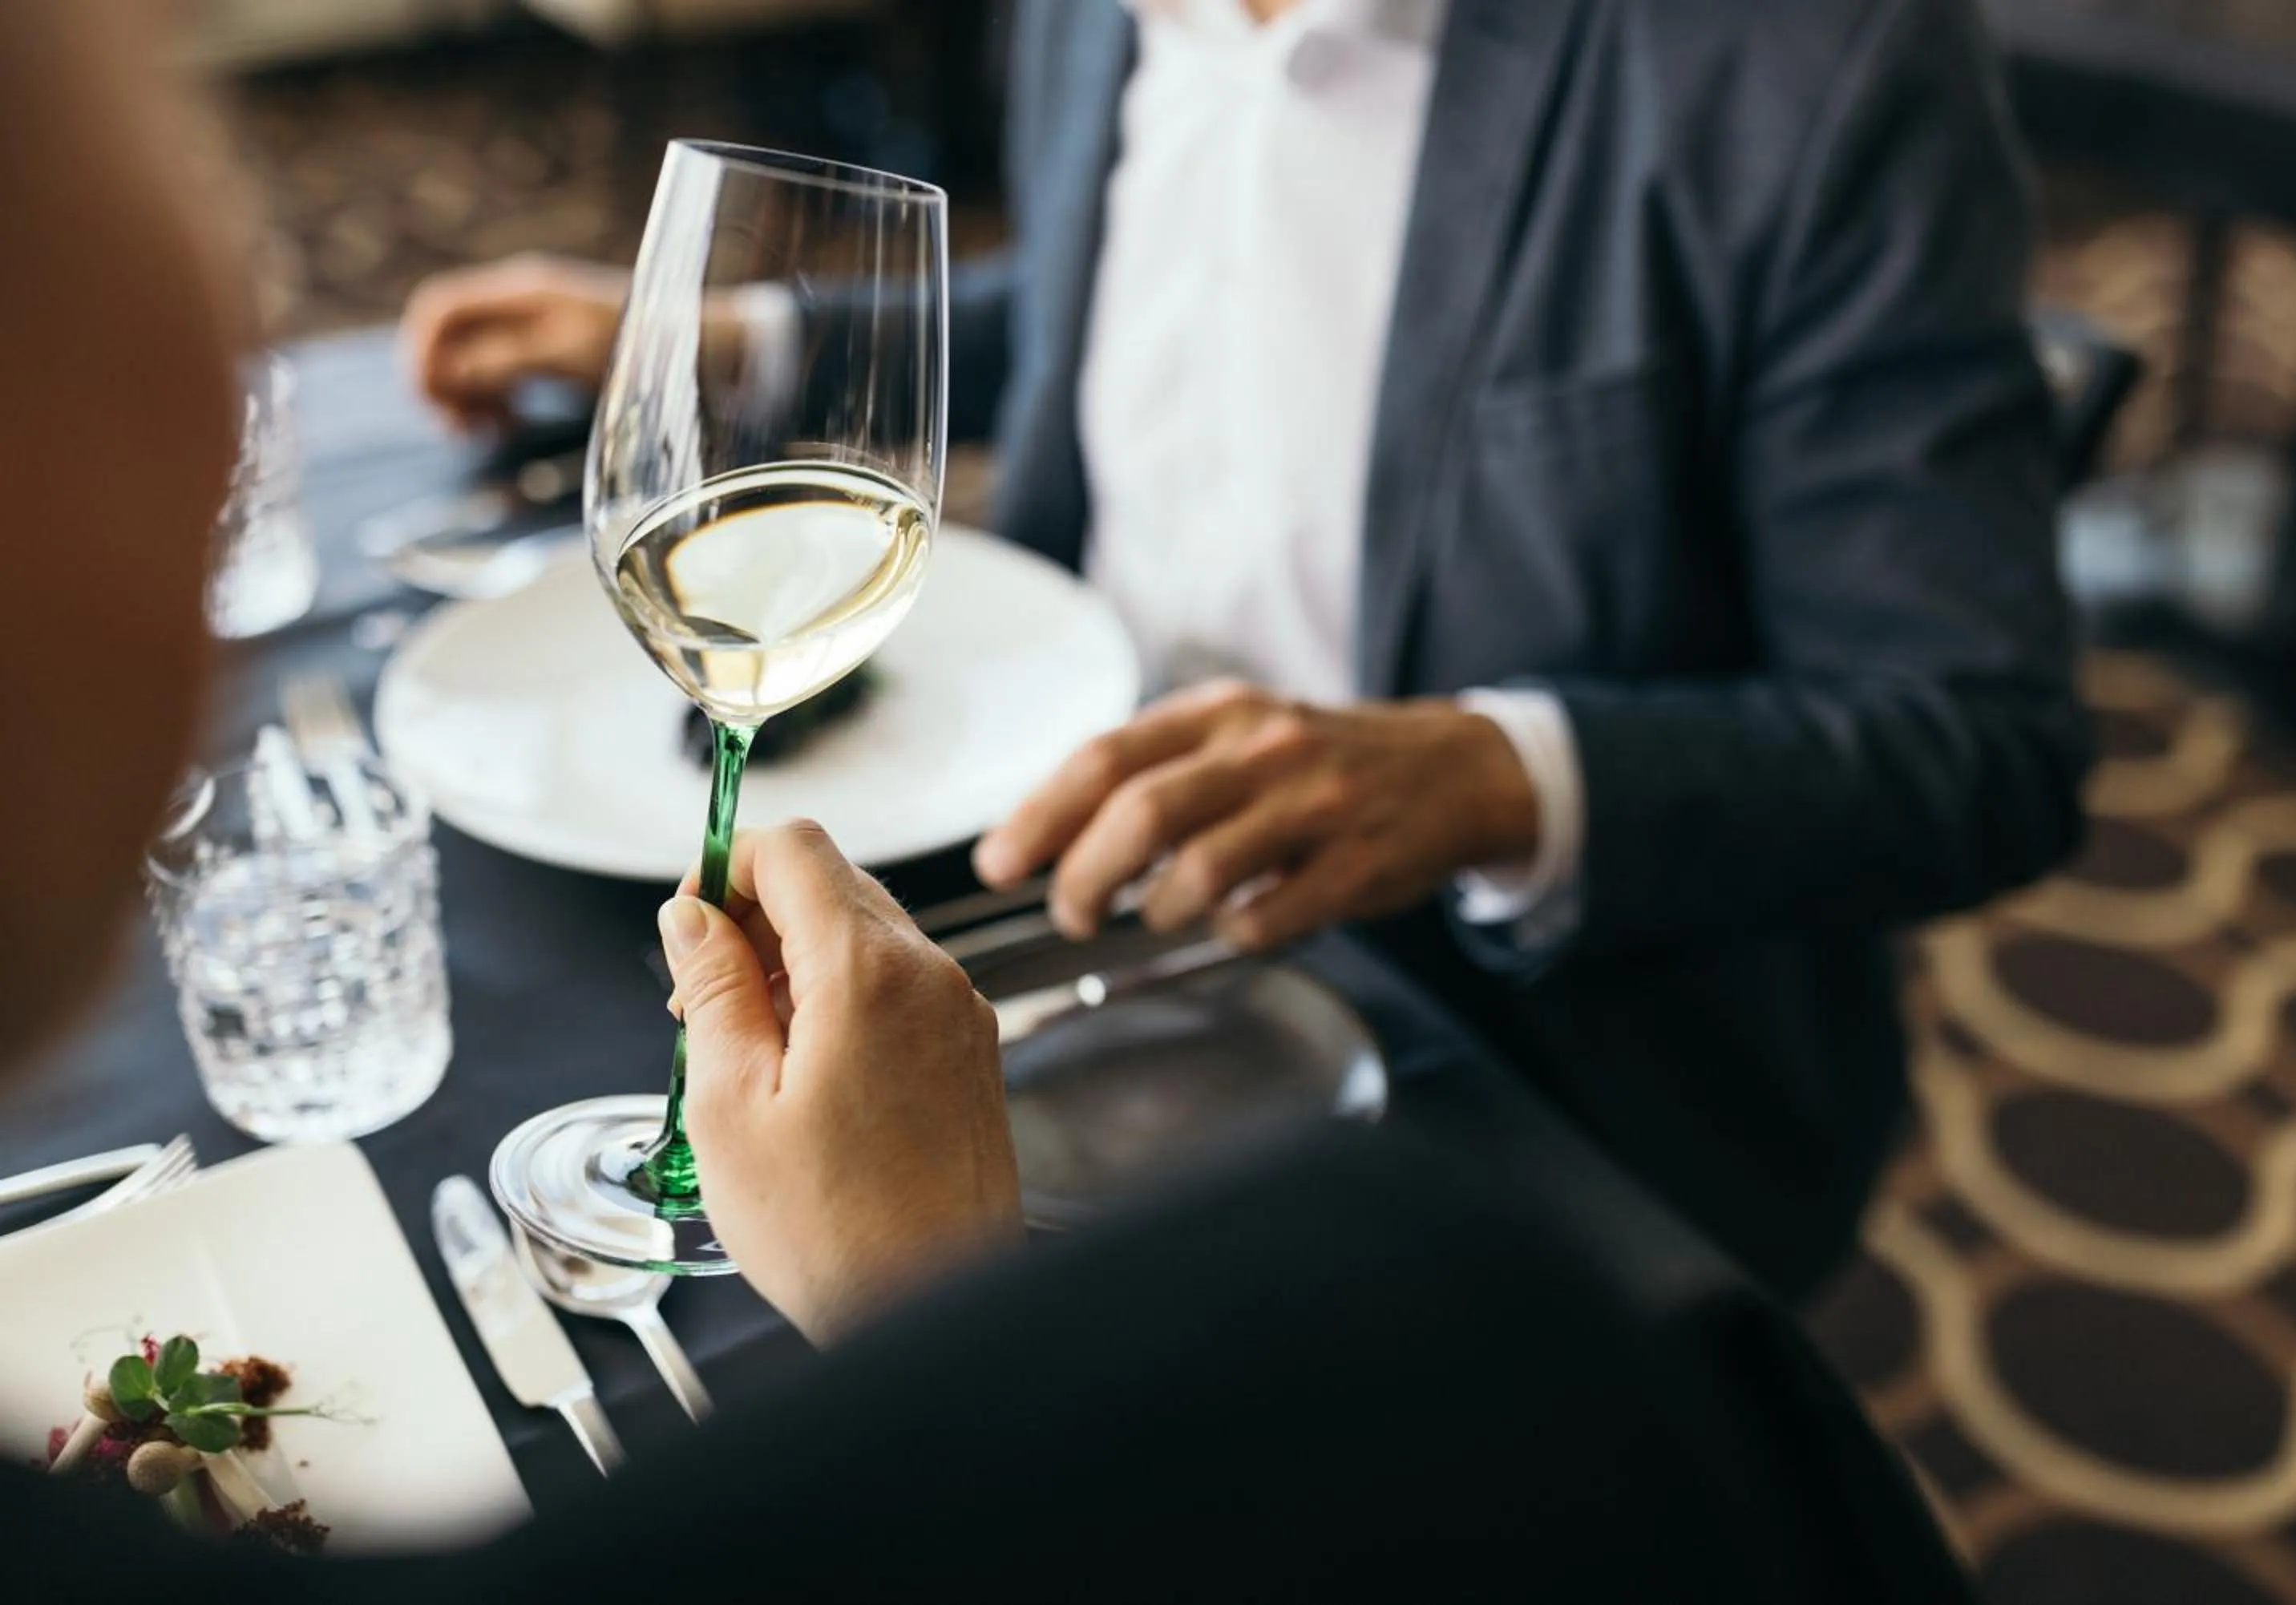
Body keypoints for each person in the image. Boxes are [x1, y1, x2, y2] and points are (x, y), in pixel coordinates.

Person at [402, 0, 2089, 1296]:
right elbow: (1133, 284)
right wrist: (757, 341)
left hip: (1528, 1039)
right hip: (1045, 868)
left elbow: (1979, 738)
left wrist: (1497, 774)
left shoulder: (1815, 63)